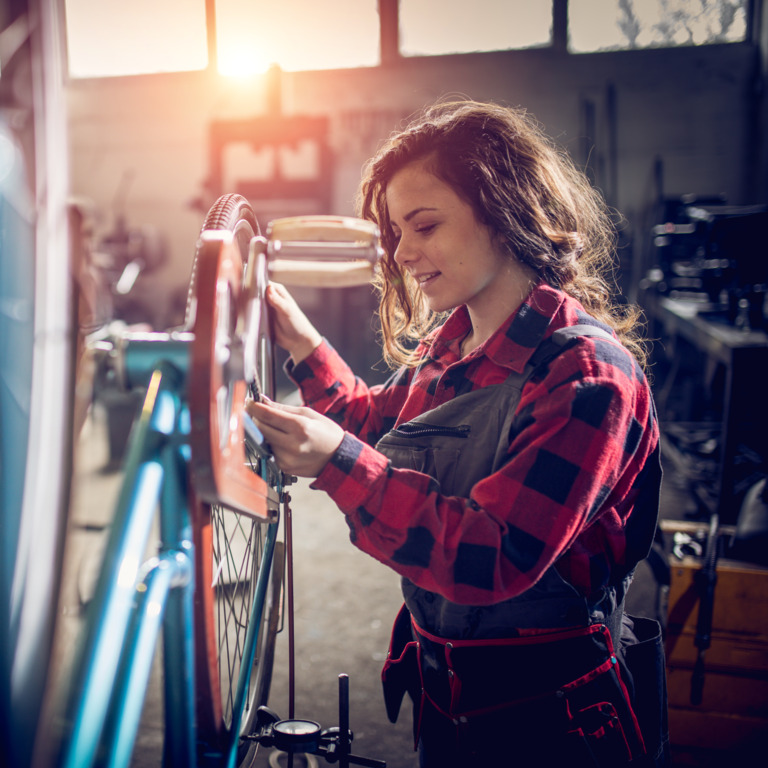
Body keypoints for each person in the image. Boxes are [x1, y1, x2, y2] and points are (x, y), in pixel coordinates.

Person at [248, 100, 669, 767]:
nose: (403, 253)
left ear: (506, 213)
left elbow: (493, 557)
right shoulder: (457, 347)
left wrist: (335, 463)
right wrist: (299, 339)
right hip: (446, 704)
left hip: (552, 725)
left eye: (425, 226)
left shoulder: (586, 376)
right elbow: (372, 427)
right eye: (395, 232)